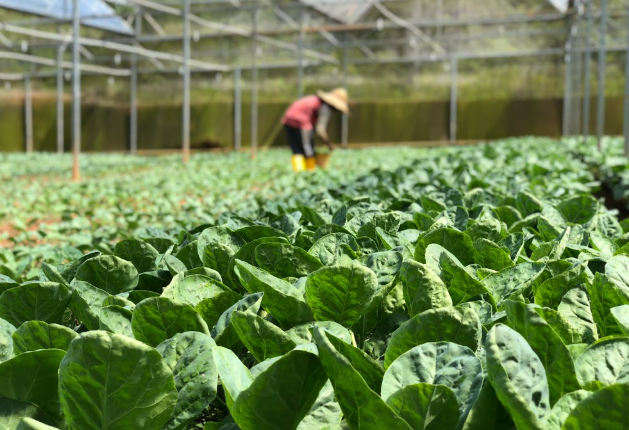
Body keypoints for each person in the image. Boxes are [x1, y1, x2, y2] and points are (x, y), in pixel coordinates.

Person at [281, 88, 349, 172]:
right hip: (302, 121)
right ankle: (310, 173)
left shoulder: (315, 100)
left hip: (288, 119)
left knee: (297, 149)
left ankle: (298, 174)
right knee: (308, 148)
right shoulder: (325, 107)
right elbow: (320, 130)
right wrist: (328, 144)